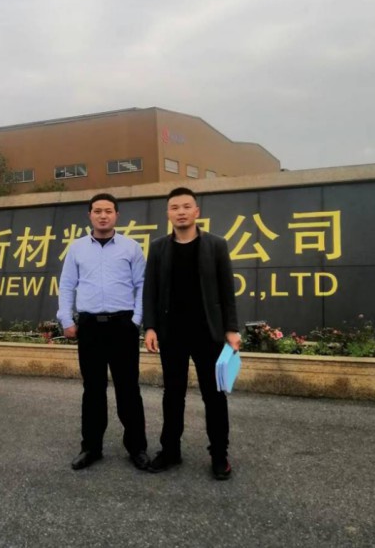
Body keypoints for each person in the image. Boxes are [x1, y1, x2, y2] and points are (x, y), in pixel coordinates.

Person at [143, 187, 240, 480]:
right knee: (173, 395)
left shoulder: (216, 245)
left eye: (186, 206)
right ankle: (170, 450)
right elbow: (151, 290)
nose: (181, 212)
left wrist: (231, 329)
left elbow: (227, 291)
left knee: (214, 396)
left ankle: (219, 455)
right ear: (168, 213)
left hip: (208, 333)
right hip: (172, 333)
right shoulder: (158, 247)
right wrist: (150, 327)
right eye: (175, 207)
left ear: (197, 211)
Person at [57, 193, 149, 471]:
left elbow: (142, 285)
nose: (103, 215)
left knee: (128, 388)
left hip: (123, 326)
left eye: (108, 211)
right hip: (90, 327)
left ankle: (137, 447)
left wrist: (136, 320)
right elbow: (67, 285)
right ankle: (91, 447)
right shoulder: (77, 248)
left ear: (117, 215)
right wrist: (66, 319)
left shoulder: (131, 248)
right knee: (93, 389)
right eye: (97, 211)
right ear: (90, 215)